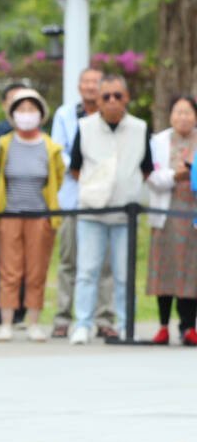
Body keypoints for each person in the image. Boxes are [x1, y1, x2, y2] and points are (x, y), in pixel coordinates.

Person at [68, 74, 153, 345]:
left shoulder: (140, 128)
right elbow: (75, 168)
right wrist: (98, 188)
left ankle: (126, 325)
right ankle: (83, 324)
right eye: (106, 96)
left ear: (126, 98)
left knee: (124, 274)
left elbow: (147, 168)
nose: (113, 101)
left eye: (118, 95)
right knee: (87, 271)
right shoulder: (85, 127)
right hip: (92, 212)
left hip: (125, 215)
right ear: (98, 100)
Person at [0, 89, 64, 342]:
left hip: (40, 217)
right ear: (12, 115)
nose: (26, 114)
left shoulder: (51, 147)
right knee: (9, 271)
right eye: (21, 109)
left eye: (31, 109)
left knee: (36, 270)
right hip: (9, 215)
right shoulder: (3, 144)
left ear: (41, 114)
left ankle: (33, 322)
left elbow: (58, 178)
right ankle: (6, 322)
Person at [50, 68, 115, 339]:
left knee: (105, 263)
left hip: (105, 199)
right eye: (86, 82)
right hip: (73, 198)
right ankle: (63, 317)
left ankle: (104, 318)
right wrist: (84, 167)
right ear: (79, 86)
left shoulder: (110, 115)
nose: (90, 87)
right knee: (69, 260)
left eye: (95, 82)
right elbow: (59, 151)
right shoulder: (65, 114)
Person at [145, 95, 197, 345]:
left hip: (192, 216)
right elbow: (152, 177)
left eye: (188, 112)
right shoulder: (158, 141)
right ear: (170, 115)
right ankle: (163, 325)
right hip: (165, 213)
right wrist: (177, 175)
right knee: (164, 270)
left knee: (191, 272)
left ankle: (188, 326)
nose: (183, 117)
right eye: (178, 112)